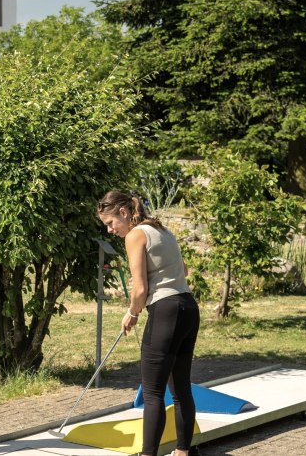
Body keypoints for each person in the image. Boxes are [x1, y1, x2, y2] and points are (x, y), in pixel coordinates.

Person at [98, 189, 200, 456]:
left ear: (123, 213)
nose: (110, 230)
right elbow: (184, 270)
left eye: (110, 223)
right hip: (188, 307)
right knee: (181, 390)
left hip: (166, 310)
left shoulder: (134, 235)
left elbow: (140, 290)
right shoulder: (162, 230)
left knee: (153, 392)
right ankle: (182, 452)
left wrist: (131, 313)